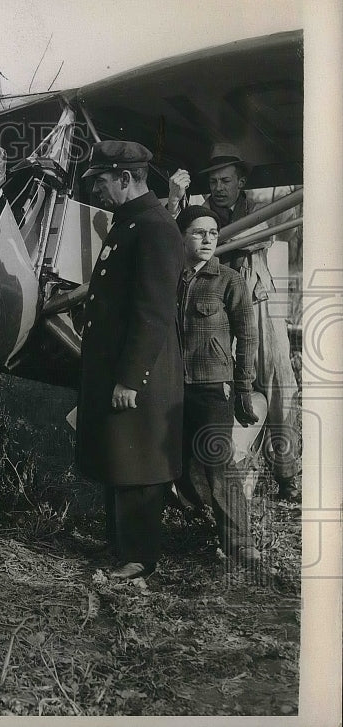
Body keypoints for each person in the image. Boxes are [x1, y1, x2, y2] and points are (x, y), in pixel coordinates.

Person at [77, 140, 185, 580]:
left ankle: (139, 558)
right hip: (119, 367)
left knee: (139, 463)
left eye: (102, 181)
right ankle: (122, 548)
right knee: (120, 456)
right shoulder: (130, 223)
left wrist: (130, 379)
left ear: (125, 178)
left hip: (141, 371)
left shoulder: (155, 227)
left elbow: (153, 312)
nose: (97, 191)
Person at [168, 144, 301, 501]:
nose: (219, 187)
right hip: (217, 305)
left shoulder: (257, 210)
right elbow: (178, 234)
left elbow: (260, 236)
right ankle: (208, 479)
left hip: (257, 301)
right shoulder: (202, 216)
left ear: (240, 181)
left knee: (277, 380)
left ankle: (287, 474)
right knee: (218, 382)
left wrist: (215, 237)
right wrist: (176, 200)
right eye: (213, 181)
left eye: (226, 180)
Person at [175, 206, 263, 569]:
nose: (208, 238)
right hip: (170, 389)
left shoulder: (229, 280)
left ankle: (240, 544)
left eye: (213, 232)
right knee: (172, 462)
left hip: (213, 389)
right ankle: (192, 519)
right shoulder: (168, 279)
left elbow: (248, 335)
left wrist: (242, 387)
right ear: (182, 237)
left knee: (218, 463)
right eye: (199, 232)